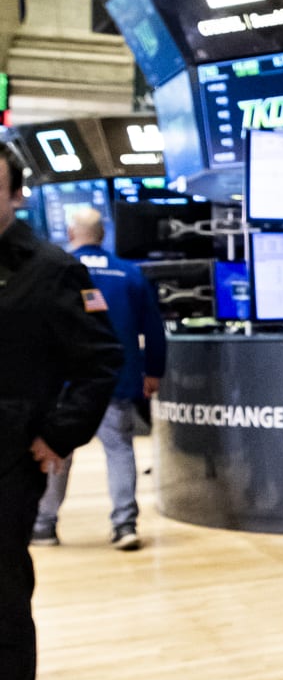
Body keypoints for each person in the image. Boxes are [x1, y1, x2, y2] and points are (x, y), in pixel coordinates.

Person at [0, 142, 124, 680]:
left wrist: (58, 434)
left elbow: (101, 360)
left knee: (1, 605)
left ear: (15, 195)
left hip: (7, 466)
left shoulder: (50, 271)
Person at [31, 204, 166, 551]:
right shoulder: (130, 274)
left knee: (57, 448)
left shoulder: (53, 271)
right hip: (117, 379)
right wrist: (154, 371)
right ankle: (125, 526)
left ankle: (44, 526)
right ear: (103, 236)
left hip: (63, 383)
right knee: (120, 449)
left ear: (72, 233)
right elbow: (154, 328)